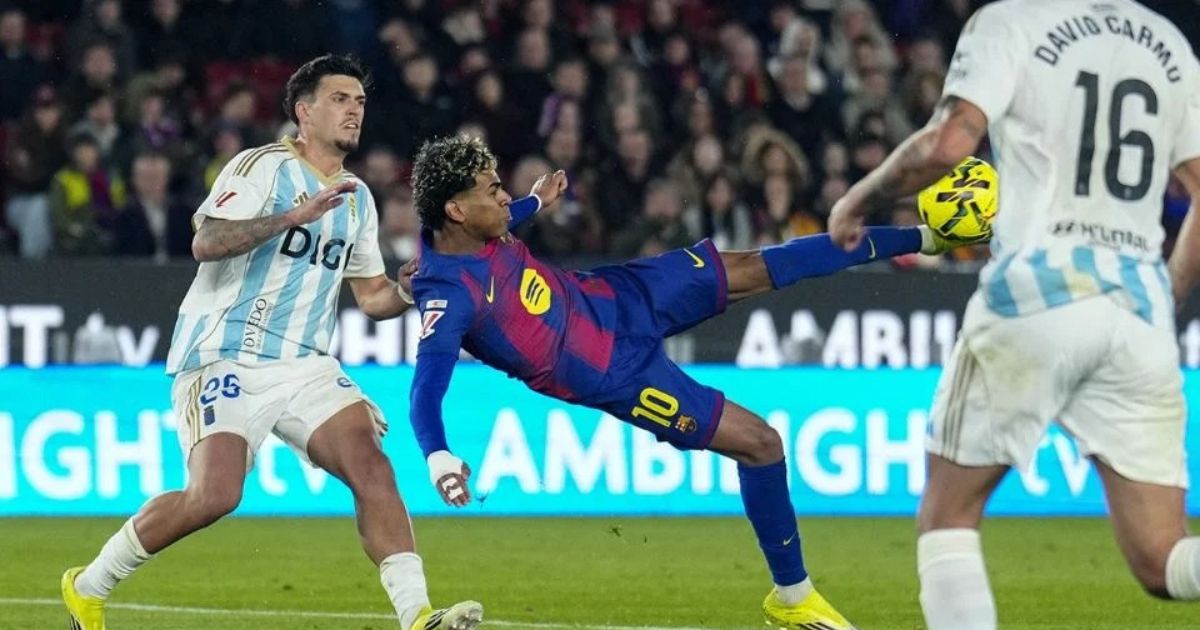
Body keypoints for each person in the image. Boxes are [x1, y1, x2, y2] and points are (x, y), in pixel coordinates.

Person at [407, 135, 977, 629]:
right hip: (619, 374)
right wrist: (438, 455)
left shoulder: (480, 226)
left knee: (760, 265)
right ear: (456, 210)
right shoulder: (447, 294)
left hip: (619, 295)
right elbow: (425, 388)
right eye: (492, 190)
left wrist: (537, 200)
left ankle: (925, 239)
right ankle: (794, 599)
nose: (504, 199)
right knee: (762, 444)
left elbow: (506, 216)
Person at [61, 55, 483, 630]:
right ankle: (87, 586)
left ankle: (418, 615)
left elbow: (372, 297)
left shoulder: (358, 197)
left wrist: (407, 288)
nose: (354, 111)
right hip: (224, 355)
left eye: (360, 102)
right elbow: (206, 242)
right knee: (214, 495)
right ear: (304, 112)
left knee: (373, 467)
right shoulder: (260, 167)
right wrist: (290, 217)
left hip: (305, 364)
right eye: (340, 99)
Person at [826, 2, 1200, 629]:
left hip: (1038, 292)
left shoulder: (1011, 21)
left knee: (948, 515)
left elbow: (948, 143)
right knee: (1163, 560)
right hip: (1137, 311)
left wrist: (860, 197)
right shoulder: (1166, 41)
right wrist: (1165, 294)